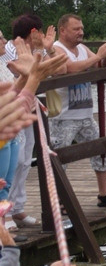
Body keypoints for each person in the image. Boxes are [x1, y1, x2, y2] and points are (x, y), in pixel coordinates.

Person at [50, 14, 106, 207]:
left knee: (101, 149)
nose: (81, 32)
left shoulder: (82, 49)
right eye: (76, 29)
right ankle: (57, 201)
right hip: (63, 116)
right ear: (63, 30)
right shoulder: (55, 50)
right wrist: (100, 55)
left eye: (82, 28)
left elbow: (98, 63)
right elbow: (70, 68)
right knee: (60, 159)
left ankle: (104, 194)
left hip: (85, 114)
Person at [1, 15, 64, 230]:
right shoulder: (13, 52)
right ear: (33, 32)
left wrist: (46, 50)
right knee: (12, 163)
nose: (2, 41)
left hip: (24, 110)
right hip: (9, 119)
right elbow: (26, 79)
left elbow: (48, 72)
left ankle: (17, 207)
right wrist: (39, 52)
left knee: (24, 160)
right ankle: (5, 212)